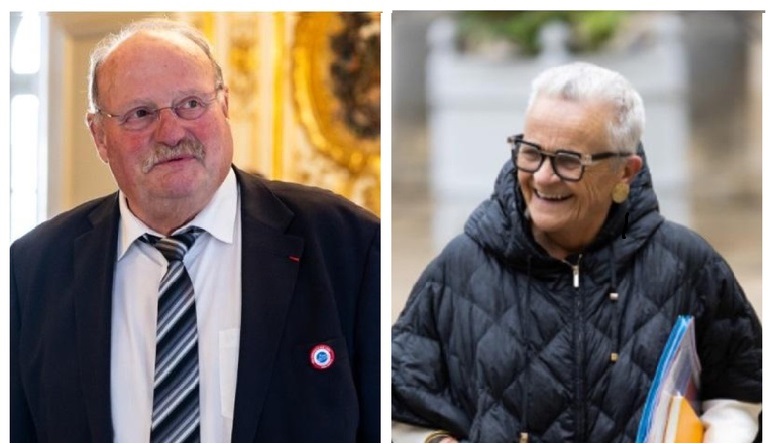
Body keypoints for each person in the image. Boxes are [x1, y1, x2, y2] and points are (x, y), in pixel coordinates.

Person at [11, 18, 380, 443]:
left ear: (224, 106)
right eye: (140, 114)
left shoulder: (349, 245)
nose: (170, 133)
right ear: (99, 136)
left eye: (191, 104)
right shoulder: (33, 269)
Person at [392, 62, 761, 442]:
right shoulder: (459, 267)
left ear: (625, 172)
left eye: (569, 161)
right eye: (531, 152)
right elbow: (397, 405)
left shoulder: (689, 264)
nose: (542, 177)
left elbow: (743, 392)